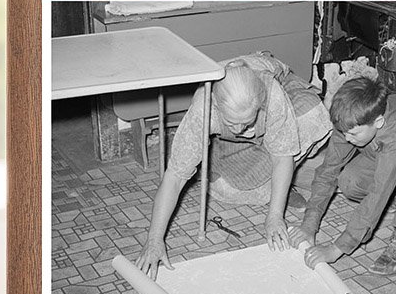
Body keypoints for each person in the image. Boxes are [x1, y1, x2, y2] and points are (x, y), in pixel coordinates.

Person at [137, 53, 331, 280]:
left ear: (259, 105)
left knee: (314, 116)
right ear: (217, 107)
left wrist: (275, 216)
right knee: (239, 190)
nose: (239, 130)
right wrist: (154, 239)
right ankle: (282, 174)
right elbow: (175, 176)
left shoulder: (273, 95)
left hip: (286, 96)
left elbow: (282, 157)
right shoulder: (203, 108)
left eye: (247, 122)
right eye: (232, 123)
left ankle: (289, 176)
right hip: (238, 134)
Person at [289, 76, 396, 276]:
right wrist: (309, 224)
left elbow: (378, 191)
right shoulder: (350, 121)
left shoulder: (395, 128)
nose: (347, 139)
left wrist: (337, 248)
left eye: (353, 135)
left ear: (378, 122)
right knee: (349, 179)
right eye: (344, 133)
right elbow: (327, 171)